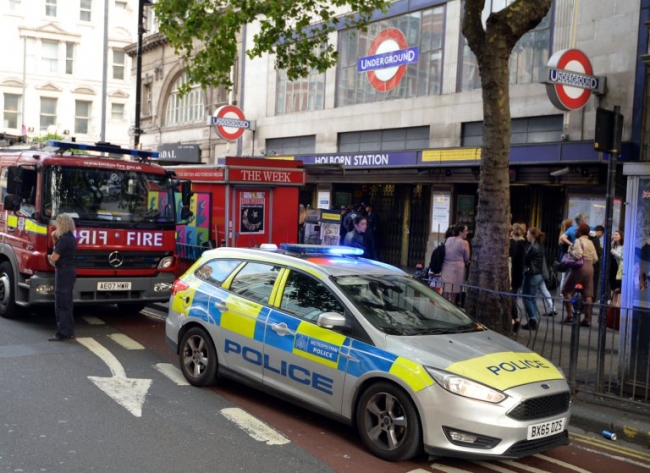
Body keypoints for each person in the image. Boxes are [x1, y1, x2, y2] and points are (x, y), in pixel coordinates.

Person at [560, 223, 599, 327]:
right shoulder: (590, 242)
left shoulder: (578, 241)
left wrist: (571, 250)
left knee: (566, 290)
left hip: (579, 267)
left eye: (577, 230)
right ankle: (587, 319)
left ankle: (570, 316)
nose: (576, 232)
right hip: (590, 267)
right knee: (588, 294)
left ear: (580, 232)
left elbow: (578, 255)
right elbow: (596, 258)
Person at [48, 214, 78, 341]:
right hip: (70, 271)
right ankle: (69, 331)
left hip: (63, 272)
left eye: (57, 223)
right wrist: (54, 238)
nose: (56, 226)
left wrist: (49, 257)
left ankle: (62, 333)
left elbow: (54, 257)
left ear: (62, 225)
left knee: (61, 303)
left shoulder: (65, 239)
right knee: (67, 302)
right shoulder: (70, 238)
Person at [520, 228, 546, 331]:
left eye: (528, 234)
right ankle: (534, 318)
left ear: (532, 235)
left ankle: (532, 319)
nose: (526, 236)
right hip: (537, 274)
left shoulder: (534, 247)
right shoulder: (539, 246)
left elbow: (526, 260)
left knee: (526, 297)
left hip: (532, 274)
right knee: (532, 297)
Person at [440, 223, 470, 304]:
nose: (467, 232)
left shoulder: (449, 240)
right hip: (457, 269)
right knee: (454, 292)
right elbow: (467, 258)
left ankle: (443, 308)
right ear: (460, 232)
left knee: (446, 290)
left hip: (446, 266)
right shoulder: (464, 243)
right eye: (466, 231)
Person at [509, 223, 526, 331]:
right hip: (520, 273)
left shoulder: (514, 244)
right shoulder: (525, 243)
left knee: (511, 297)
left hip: (513, 273)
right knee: (513, 295)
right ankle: (514, 319)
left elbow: (512, 259)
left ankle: (515, 318)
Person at [609, 230, 624, 298]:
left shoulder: (623, 246)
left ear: (621, 237)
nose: (614, 236)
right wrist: (610, 240)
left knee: (617, 285)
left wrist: (614, 252)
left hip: (619, 267)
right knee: (612, 283)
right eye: (614, 234)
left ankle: (617, 303)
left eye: (616, 235)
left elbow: (623, 257)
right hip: (612, 265)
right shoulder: (613, 244)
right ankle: (612, 302)